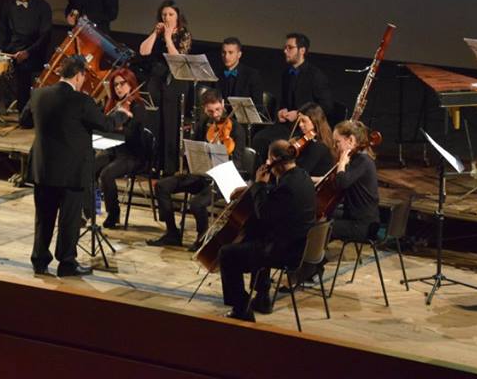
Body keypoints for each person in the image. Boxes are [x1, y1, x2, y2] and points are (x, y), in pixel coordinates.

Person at [24, 55, 125, 276]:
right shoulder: (82, 101)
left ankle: (39, 261)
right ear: (79, 75)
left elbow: (24, 120)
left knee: (44, 218)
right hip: (72, 170)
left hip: (43, 168)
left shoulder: (39, 94)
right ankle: (66, 263)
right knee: (69, 220)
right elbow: (106, 124)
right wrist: (120, 115)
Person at [219, 139, 316, 321]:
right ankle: (262, 298)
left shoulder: (287, 186)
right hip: (300, 245)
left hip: (287, 252)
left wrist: (259, 185)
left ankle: (241, 309)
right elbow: (279, 202)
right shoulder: (302, 176)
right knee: (257, 232)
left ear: (274, 159)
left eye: (269, 159)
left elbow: (264, 213)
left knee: (227, 254)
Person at [147, 89, 246, 251]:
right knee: (161, 186)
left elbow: (238, 162)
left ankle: (202, 238)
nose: (215, 115)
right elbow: (193, 149)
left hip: (224, 179)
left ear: (223, 104)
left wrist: (221, 158)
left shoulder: (236, 129)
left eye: (217, 109)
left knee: (196, 204)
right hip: (201, 174)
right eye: (210, 111)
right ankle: (172, 233)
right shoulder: (203, 124)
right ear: (205, 109)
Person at [139, 0, 192, 174]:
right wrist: (155, 34)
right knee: (154, 122)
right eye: (164, 15)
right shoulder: (158, 31)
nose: (167, 18)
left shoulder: (183, 34)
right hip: (157, 80)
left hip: (175, 82)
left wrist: (168, 38)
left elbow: (177, 60)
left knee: (170, 124)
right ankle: (153, 165)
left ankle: (169, 168)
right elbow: (144, 51)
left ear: (177, 16)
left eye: (170, 14)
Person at [254, 32, 334, 147]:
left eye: (290, 48)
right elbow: (284, 101)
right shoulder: (287, 73)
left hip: (304, 128)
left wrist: (298, 114)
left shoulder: (316, 75)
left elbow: (326, 106)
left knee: (275, 144)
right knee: (259, 138)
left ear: (302, 50)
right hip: (287, 125)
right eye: (285, 47)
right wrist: (281, 112)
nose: (285, 51)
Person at [94, 67, 149, 228]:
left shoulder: (137, 106)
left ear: (131, 84)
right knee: (89, 168)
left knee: (106, 175)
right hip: (114, 151)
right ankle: (92, 209)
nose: (118, 88)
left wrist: (117, 124)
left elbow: (131, 136)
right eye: (115, 85)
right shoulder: (112, 104)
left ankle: (113, 213)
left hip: (133, 155)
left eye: (122, 84)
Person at [0, 0, 53, 112]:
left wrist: (27, 52)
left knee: (23, 71)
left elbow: (44, 37)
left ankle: (23, 111)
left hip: (32, 54)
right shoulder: (8, 5)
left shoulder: (43, 7)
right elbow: (1, 31)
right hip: (10, 52)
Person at [324, 120, 379, 243]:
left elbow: (341, 183)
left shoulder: (362, 160)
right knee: (326, 214)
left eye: (337, 142)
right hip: (354, 216)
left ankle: (315, 254)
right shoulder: (357, 158)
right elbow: (335, 180)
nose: (335, 146)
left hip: (362, 225)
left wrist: (342, 163)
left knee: (320, 228)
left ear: (350, 140)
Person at [215, 37, 263, 107]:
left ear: (239, 54)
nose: (226, 56)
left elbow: (258, 105)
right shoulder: (217, 75)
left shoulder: (252, 75)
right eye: (224, 52)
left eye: (230, 52)